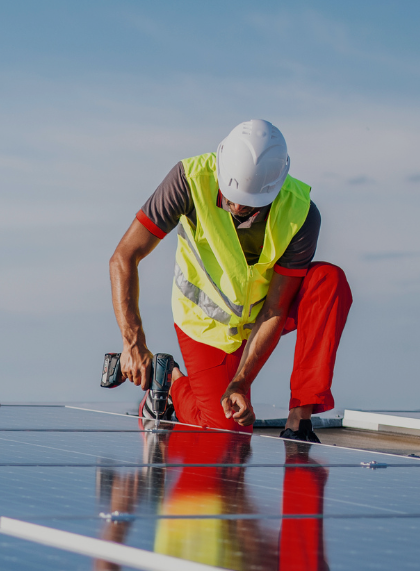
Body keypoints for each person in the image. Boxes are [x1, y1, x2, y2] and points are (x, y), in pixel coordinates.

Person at [108, 119, 352, 441]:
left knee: (328, 281)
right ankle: (170, 385)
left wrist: (241, 382)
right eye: (230, 196)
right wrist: (133, 342)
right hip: (207, 327)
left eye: (248, 204)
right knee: (226, 436)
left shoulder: (301, 214)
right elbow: (124, 257)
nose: (235, 206)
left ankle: (299, 421)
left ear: (274, 191)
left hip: (264, 315)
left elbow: (275, 309)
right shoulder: (188, 181)